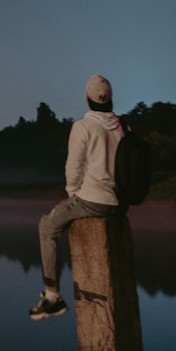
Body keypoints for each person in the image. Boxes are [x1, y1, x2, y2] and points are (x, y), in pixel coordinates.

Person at [29, 74, 124, 319]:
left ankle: (52, 296)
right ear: (110, 99)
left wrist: (73, 195)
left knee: (46, 227)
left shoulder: (82, 126)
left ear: (87, 99)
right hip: (118, 202)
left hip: (92, 200)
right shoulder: (120, 127)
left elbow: (73, 169)